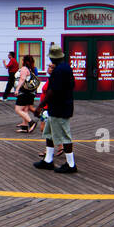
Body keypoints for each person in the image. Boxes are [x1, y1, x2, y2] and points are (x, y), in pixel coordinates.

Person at [33, 44, 77, 174]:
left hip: (59, 108)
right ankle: (48, 160)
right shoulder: (67, 68)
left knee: (65, 136)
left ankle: (71, 164)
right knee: (49, 133)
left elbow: (52, 91)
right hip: (61, 106)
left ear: (53, 58)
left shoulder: (58, 71)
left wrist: (40, 106)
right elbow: (72, 84)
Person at [13, 54, 40, 132]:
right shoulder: (31, 69)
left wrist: (17, 89)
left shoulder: (24, 68)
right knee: (25, 110)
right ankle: (25, 127)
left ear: (25, 61)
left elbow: (22, 79)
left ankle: (31, 122)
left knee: (18, 109)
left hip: (24, 93)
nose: (21, 61)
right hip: (30, 93)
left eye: (22, 60)